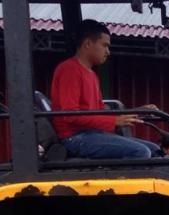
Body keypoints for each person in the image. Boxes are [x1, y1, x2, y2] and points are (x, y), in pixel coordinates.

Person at [51, 19, 161, 159]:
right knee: (141, 152)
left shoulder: (91, 74)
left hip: (92, 134)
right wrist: (113, 121)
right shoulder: (69, 70)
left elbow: (100, 110)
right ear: (88, 44)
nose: (108, 52)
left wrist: (136, 112)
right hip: (74, 138)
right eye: (104, 46)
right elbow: (70, 115)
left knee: (155, 150)